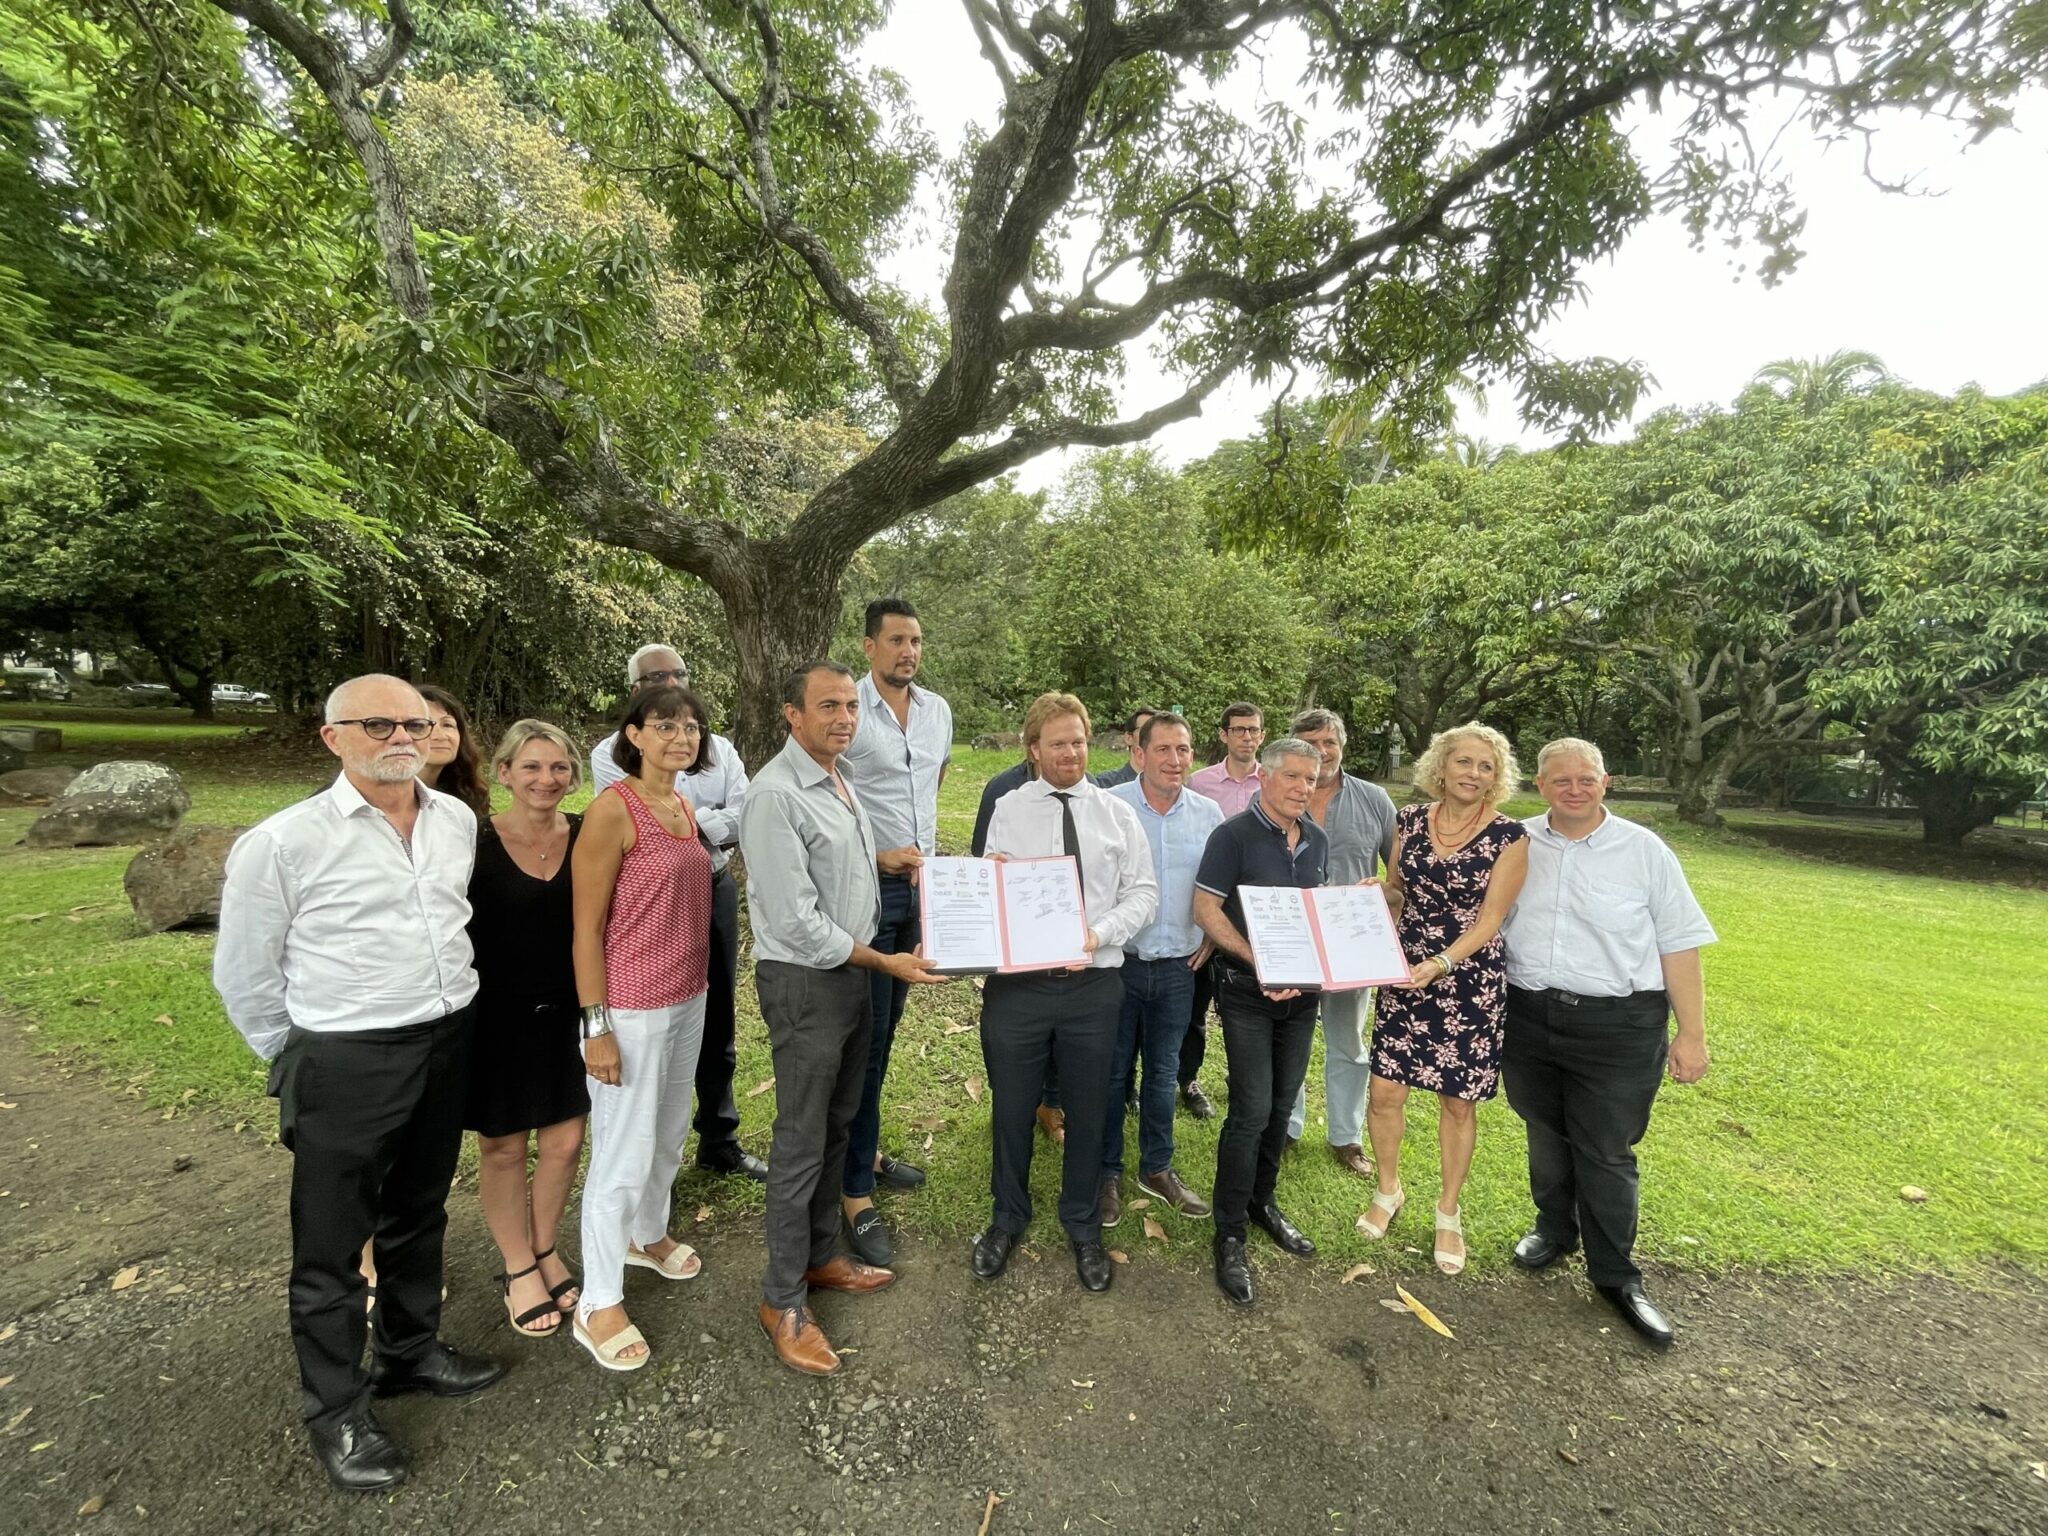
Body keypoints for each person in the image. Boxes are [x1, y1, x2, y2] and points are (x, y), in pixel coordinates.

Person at [214, 674, 501, 1492]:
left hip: (448, 1039)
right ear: (332, 736)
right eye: (376, 724)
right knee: (333, 1245)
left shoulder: (453, 822)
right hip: (344, 1054)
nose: (398, 736)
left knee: (419, 1211)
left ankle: (410, 1353)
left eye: (413, 722)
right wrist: (299, 1056)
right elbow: (244, 974)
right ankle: (335, 1409)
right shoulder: (282, 843)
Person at [741, 661, 943, 1375]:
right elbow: (795, 923)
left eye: (851, 707)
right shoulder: (773, 796)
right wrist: (882, 962)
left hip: (852, 976)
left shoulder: (838, 780)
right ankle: (781, 1298)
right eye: (828, 706)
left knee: (836, 1124)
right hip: (810, 982)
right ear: (792, 715)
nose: (844, 719)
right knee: (800, 1142)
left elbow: (848, 879)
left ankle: (822, 1253)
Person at [1500, 739, 1716, 1349]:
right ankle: (1554, 1229)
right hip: (1529, 1016)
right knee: (1545, 1131)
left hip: (1619, 1025)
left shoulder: (1644, 851)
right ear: (1539, 786)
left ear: (1606, 782)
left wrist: (1691, 1034)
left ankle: (1617, 1275)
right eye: (1561, 779)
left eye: (1586, 779)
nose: (1575, 788)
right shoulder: (1515, 843)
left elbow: (1679, 943)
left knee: (1605, 1149)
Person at [974, 693, 1157, 1293]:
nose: (1071, 752)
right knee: (1012, 1105)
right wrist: (990, 879)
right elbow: (986, 888)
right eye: (1057, 742)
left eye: (1078, 740)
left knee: (1089, 1107)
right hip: (1019, 989)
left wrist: (1098, 932)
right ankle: (1007, 1217)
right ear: (1034, 750)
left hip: (1093, 986)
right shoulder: (1008, 808)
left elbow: (1144, 894)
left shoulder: (1116, 815)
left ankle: (1082, 1223)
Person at [568, 685, 715, 1372]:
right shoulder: (612, 811)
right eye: (665, 726)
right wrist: (595, 1025)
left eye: (690, 727)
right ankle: (597, 1300)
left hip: (688, 997)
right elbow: (585, 929)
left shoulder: (682, 804)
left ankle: (645, 1235)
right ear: (633, 734)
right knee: (622, 1152)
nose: (680, 737)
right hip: (629, 1007)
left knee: (668, 1131)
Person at [1360, 721, 1530, 1278]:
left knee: (1458, 1102)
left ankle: (1448, 1211)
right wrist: (1375, 895)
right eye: (1464, 762)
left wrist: (1441, 963)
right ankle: (1389, 1191)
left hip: (1467, 979)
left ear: (1496, 777)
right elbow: (1399, 892)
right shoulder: (1408, 820)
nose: (1473, 774)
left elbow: (1491, 921)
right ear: (1442, 765)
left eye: (1485, 766)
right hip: (1404, 971)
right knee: (1385, 1091)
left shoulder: (1510, 837)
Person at [592, 645, 764, 1183]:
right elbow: (634, 817)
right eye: (653, 676)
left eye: (677, 674)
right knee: (649, 1030)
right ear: (634, 692)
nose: (666, 681)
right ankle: (636, 1164)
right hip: (647, 903)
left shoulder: (720, 748)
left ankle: (719, 1139)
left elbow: (747, 812)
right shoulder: (608, 753)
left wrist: (694, 821)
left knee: (715, 1020)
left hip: (712, 887)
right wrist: (709, 821)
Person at [835, 598, 953, 1267]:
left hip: (921, 891)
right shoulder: (846, 710)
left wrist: (922, 862)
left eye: (916, 639)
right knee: (868, 1039)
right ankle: (853, 1192)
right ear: (870, 646)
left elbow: (928, 788)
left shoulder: (936, 712)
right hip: (870, 888)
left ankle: (866, 1150)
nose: (908, 651)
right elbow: (830, 796)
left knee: (889, 1033)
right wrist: (877, 853)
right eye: (896, 640)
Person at [1191, 738, 1328, 1306]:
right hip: (1249, 992)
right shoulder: (1232, 835)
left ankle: (1262, 1201)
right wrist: (1258, 959)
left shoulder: (1316, 839)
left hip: (1304, 998)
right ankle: (1228, 1230)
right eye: (1292, 777)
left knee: (1279, 1105)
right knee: (1249, 1110)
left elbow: (1317, 913)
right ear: (1265, 779)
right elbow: (1205, 909)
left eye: (1311, 779)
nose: (1302, 788)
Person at [465, 720, 589, 1338]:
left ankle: (544, 1248)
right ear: (505, 773)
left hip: (572, 1008)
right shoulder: (472, 840)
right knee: (506, 1146)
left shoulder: (589, 833)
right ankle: (518, 1267)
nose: (547, 779)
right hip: (496, 1015)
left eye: (559, 767)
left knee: (565, 1143)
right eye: (533, 767)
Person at [1101, 711, 1222, 1224]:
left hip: (1179, 967)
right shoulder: (1110, 809)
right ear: (1139, 754)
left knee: (1164, 1071)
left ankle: (1157, 1167)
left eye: (1184, 750)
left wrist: (1213, 940)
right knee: (1111, 1072)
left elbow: (1221, 888)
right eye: (1165, 749)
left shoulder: (1209, 814)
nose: (1176, 760)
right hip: (1119, 964)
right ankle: (1105, 1171)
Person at [1284, 708, 1398, 1174]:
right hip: (1291, 940)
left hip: (1352, 946)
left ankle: (1346, 1136)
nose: (1322, 753)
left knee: (1348, 1041)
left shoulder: (1375, 800)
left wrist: (1385, 895)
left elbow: (1402, 876)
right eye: (1310, 744)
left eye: (1329, 742)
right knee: (1288, 1037)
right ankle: (1286, 1125)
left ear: (1342, 745)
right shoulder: (1277, 795)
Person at [1179, 701, 1267, 1118]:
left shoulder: (1270, 782)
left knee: (1248, 1007)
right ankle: (1188, 1079)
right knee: (1196, 1007)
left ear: (1262, 736)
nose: (1246, 737)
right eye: (1239, 730)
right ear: (1223, 735)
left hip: (1254, 917)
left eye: (1253, 730)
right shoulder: (1199, 784)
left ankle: (1243, 1082)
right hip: (1208, 910)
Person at [417, 684, 491, 820]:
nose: (440, 735)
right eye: (423, 725)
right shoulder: (380, 799)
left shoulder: (468, 794)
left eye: (447, 725)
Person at [1093, 706, 1161, 789]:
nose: (1154, 736)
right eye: (1146, 730)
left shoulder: (1172, 787)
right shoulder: (1106, 785)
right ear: (1128, 738)